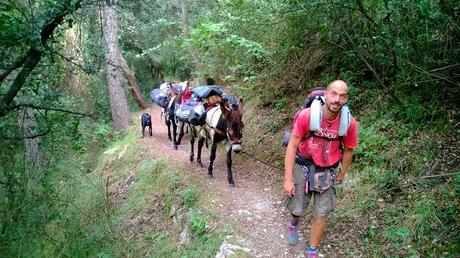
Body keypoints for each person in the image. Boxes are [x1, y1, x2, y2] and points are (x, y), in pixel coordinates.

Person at [284, 80, 358, 258]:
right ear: (326, 94)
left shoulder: (349, 123)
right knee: (298, 207)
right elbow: (292, 146)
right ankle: (294, 224)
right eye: (333, 93)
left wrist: (341, 174)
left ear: (346, 99)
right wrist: (288, 178)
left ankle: (312, 250)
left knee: (321, 212)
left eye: (342, 96)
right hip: (303, 165)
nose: (336, 99)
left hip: (327, 170)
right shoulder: (306, 116)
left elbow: (348, 150)